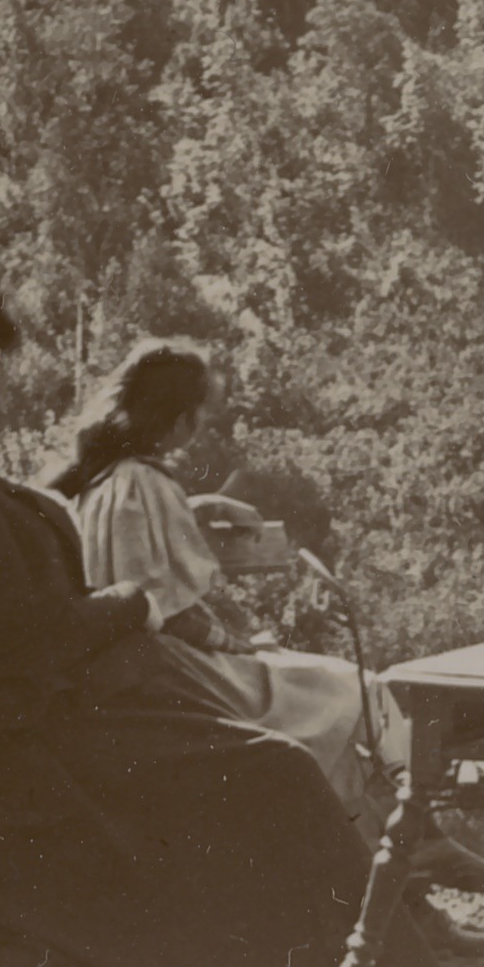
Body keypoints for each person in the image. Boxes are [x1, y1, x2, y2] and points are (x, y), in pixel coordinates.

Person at [0, 284, 368, 967]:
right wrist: (130, 603)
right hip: (19, 752)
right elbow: (19, 642)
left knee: (270, 762)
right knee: (275, 768)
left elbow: (32, 601)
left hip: (51, 721)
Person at [53, 345, 391, 837]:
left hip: (134, 667)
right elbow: (166, 611)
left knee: (322, 692)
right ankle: (401, 837)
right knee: (354, 687)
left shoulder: (103, 477)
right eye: (200, 415)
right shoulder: (145, 482)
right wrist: (236, 644)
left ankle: (377, 838)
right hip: (168, 671)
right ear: (181, 422)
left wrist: (200, 506)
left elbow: (134, 553)